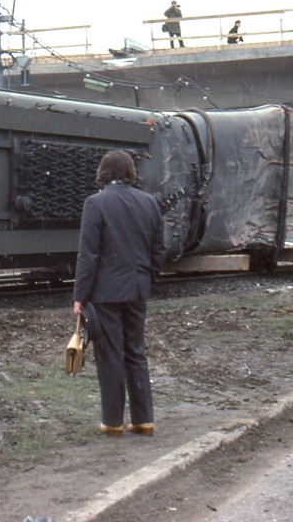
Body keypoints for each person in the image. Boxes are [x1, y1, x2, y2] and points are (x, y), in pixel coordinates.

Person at [72, 150, 165, 437]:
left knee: (110, 354)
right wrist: (148, 278)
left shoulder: (95, 204)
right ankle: (143, 420)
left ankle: (112, 422)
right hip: (137, 290)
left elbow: (89, 255)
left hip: (105, 293)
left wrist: (80, 296)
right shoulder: (149, 203)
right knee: (136, 353)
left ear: (103, 173)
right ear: (130, 173)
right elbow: (159, 249)